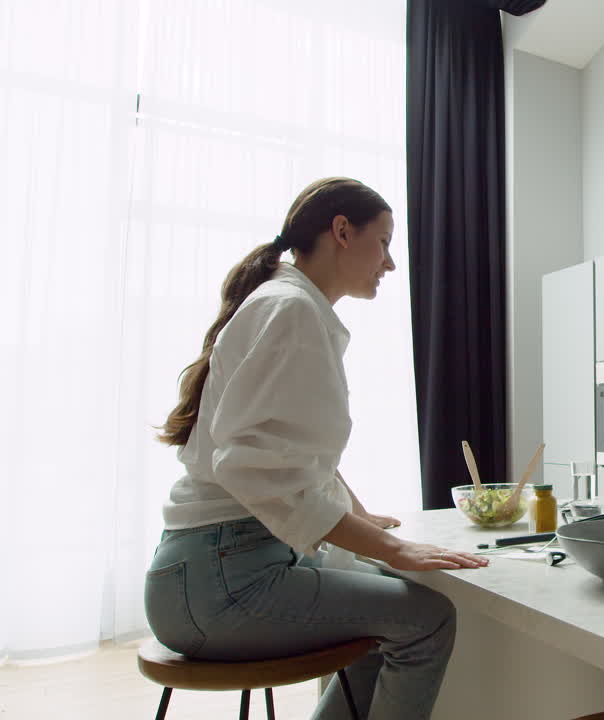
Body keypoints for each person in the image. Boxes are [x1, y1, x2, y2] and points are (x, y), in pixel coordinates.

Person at [148, 177, 486, 718]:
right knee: (428, 621)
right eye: (384, 242)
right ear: (342, 232)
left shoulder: (288, 304)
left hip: (206, 570)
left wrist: (361, 517)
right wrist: (393, 550)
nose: (391, 263)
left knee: (384, 618)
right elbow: (249, 465)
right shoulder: (292, 310)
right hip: (220, 583)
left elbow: (292, 457)